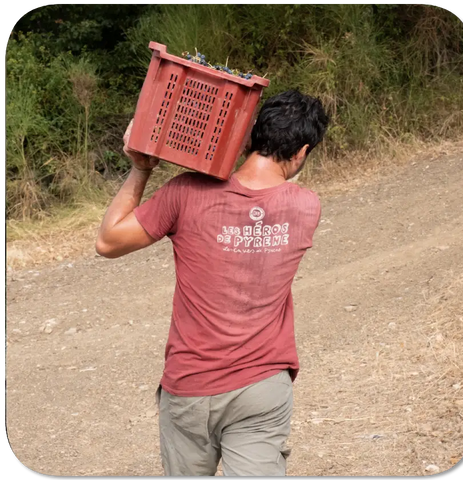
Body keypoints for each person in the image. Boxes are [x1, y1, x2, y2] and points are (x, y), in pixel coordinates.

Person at [96, 89, 329, 476]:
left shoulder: (186, 193)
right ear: (302, 152)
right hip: (263, 387)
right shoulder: (307, 208)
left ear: (253, 136)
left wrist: (141, 168)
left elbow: (108, 241)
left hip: (191, 386)